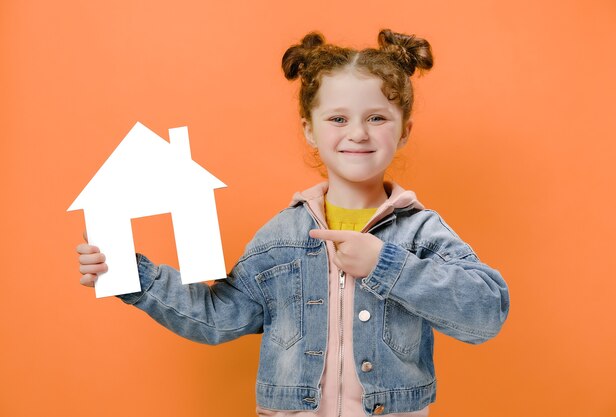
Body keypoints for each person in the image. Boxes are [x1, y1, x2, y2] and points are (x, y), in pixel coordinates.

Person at [77, 29, 510, 416]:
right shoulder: (280, 237)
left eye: (376, 118)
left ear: (404, 131)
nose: (358, 133)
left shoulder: (421, 233)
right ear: (309, 129)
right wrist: (131, 276)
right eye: (338, 118)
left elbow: (485, 314)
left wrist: (386, 264)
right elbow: (218, 318)